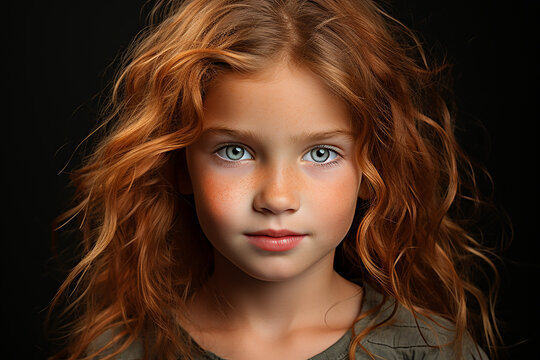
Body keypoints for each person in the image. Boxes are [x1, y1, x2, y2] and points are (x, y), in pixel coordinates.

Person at [49, 0, 501, 359]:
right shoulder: (123, 352)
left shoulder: (430, 351)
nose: (278, 198)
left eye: (321, 153)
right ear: (178, 166)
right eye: (235, 151)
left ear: (371, 170)